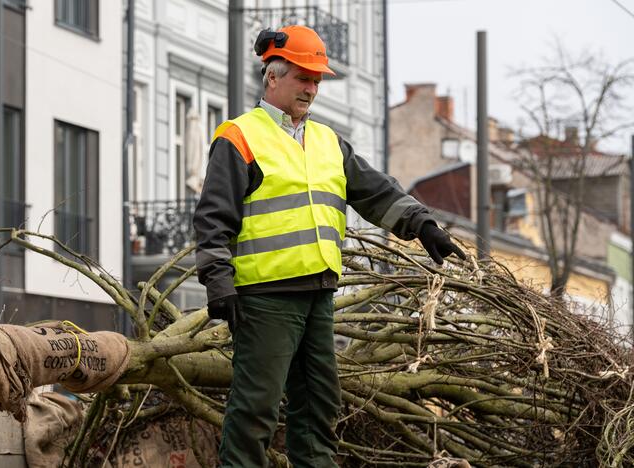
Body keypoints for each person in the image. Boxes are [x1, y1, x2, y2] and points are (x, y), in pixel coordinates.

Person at [192, 25, 466, 467]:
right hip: (264, 299)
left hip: (318, 294)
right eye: (302, 77)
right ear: (272, 77)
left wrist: (424, 223)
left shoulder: (327, 142)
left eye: (317, 79)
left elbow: (377, 192)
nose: (311, 87)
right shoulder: (239, 137)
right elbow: (213, 218)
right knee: (255, 412)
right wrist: (218, 282)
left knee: (319, 408)